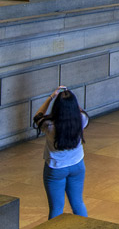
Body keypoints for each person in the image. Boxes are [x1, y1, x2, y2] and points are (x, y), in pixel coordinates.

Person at [32, 86, 89, 219]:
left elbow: (37, 116)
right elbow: (80, 110)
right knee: (78, 203)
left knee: (56, 208)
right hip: (77, 165)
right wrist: (72, 100)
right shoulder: (81, 119)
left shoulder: (49, 125)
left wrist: (52, 97)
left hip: (56, 168)